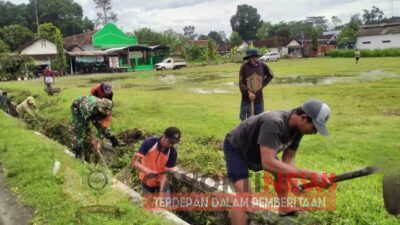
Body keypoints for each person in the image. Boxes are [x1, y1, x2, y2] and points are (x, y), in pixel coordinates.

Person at [223, 99, 333, 225]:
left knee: (282, 173)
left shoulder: (298, 129)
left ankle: (284, 207)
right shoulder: (274, 122)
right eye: (314, 127)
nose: (315, 132)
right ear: (303, 118)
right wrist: (309, 174)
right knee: (245, 198)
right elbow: (268, 163)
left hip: (260, 149)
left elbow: (288, 158)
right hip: (237, 147)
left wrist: (293, 180)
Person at [71, 95, 121, 162]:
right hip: (78, 106)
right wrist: (92, 138)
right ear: (98, 107)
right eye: (102, 111)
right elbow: (85, 125)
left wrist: (99, 141)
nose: (104, 113)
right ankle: (78, 151)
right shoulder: (89, 109)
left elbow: (103, 127)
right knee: (78, 128)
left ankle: (113, 138)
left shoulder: (108, 111)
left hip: (93, 112)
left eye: (105, 112)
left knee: (99, 125)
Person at [131, 127, 180, 194]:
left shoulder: (172, 152)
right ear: (164, 136)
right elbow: (135, 163)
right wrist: (148, 171)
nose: (171, 145)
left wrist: (162, 193)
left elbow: (165, 174)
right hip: (146, 181)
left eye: (173, 143)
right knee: (148, 203)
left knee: (164, 202)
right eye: (169, 142)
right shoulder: (150, 143)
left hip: (161, 183)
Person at [239, 48, 274, 121]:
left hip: (259, 99)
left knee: (259, 120)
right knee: (246, 121)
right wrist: (249, 92)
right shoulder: (244, 67)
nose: (253, 59)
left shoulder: (262, 65)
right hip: (246, 100)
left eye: (255, 57)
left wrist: (261, 85)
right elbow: (241, 83)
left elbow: (270, 75)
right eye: (251, 57)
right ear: (249, 58)